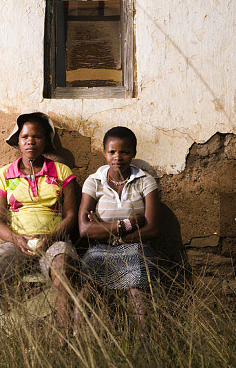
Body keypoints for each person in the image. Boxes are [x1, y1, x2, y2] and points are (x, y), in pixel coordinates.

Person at [0, 112, 79, 331]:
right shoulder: (4, 175)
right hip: (16, 244)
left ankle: (64, 337)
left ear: (46, 141)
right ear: (18, 141)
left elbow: (70, 217)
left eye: (37, 137)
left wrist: (49, 238)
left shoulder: (62, 172)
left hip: (53, 242)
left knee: (63, 268)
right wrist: (17, 239)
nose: (30, 141)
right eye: (25, 137)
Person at [77, 126, 161, 329]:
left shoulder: (145, 181)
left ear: (133, 153)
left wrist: (108, 230)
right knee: (85, 293)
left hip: (136, 248)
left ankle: (145, 344)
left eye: (124, 152)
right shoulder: (94, 182)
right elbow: (84, 229)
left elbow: (153, 228)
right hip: (99, 249)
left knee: (137, 292)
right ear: (104, 153)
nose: (118, 157)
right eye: (112, 152)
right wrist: (126, 224)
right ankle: (78, 341)